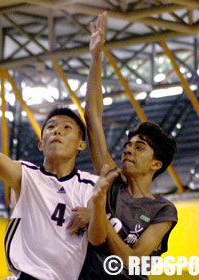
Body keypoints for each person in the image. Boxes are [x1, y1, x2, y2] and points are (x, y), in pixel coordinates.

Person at [0, 75, 116, 280]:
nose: (57, 131)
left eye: (66, 128)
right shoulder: (27, 175)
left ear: (81, 145)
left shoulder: (92, 185)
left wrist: (97, 208)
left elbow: (97, 239)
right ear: (41, 144)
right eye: (50, 127)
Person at [71, 12, 179, 279]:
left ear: (156, 164)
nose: (128, 149)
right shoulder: (110, 183)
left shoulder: (163, 210)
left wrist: (99, 219)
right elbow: (92, 118)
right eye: (129, 145)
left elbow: (132, 262)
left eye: (139, 147)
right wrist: (96, 57)